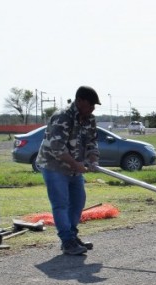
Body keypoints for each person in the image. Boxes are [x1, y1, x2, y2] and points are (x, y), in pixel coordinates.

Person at [36, 86, 101, 256]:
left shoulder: (89, 119)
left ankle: (71, 235)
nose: (92, 108)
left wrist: (93, 158)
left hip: (74, 168)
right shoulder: (62, 117)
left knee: (79, 201)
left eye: (94, 106)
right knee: (61, 203)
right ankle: (67, 241)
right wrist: (77, 164)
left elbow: (92, 142)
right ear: (79, 101)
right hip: (54, 166)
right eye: (90, 104)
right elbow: (57, 148)